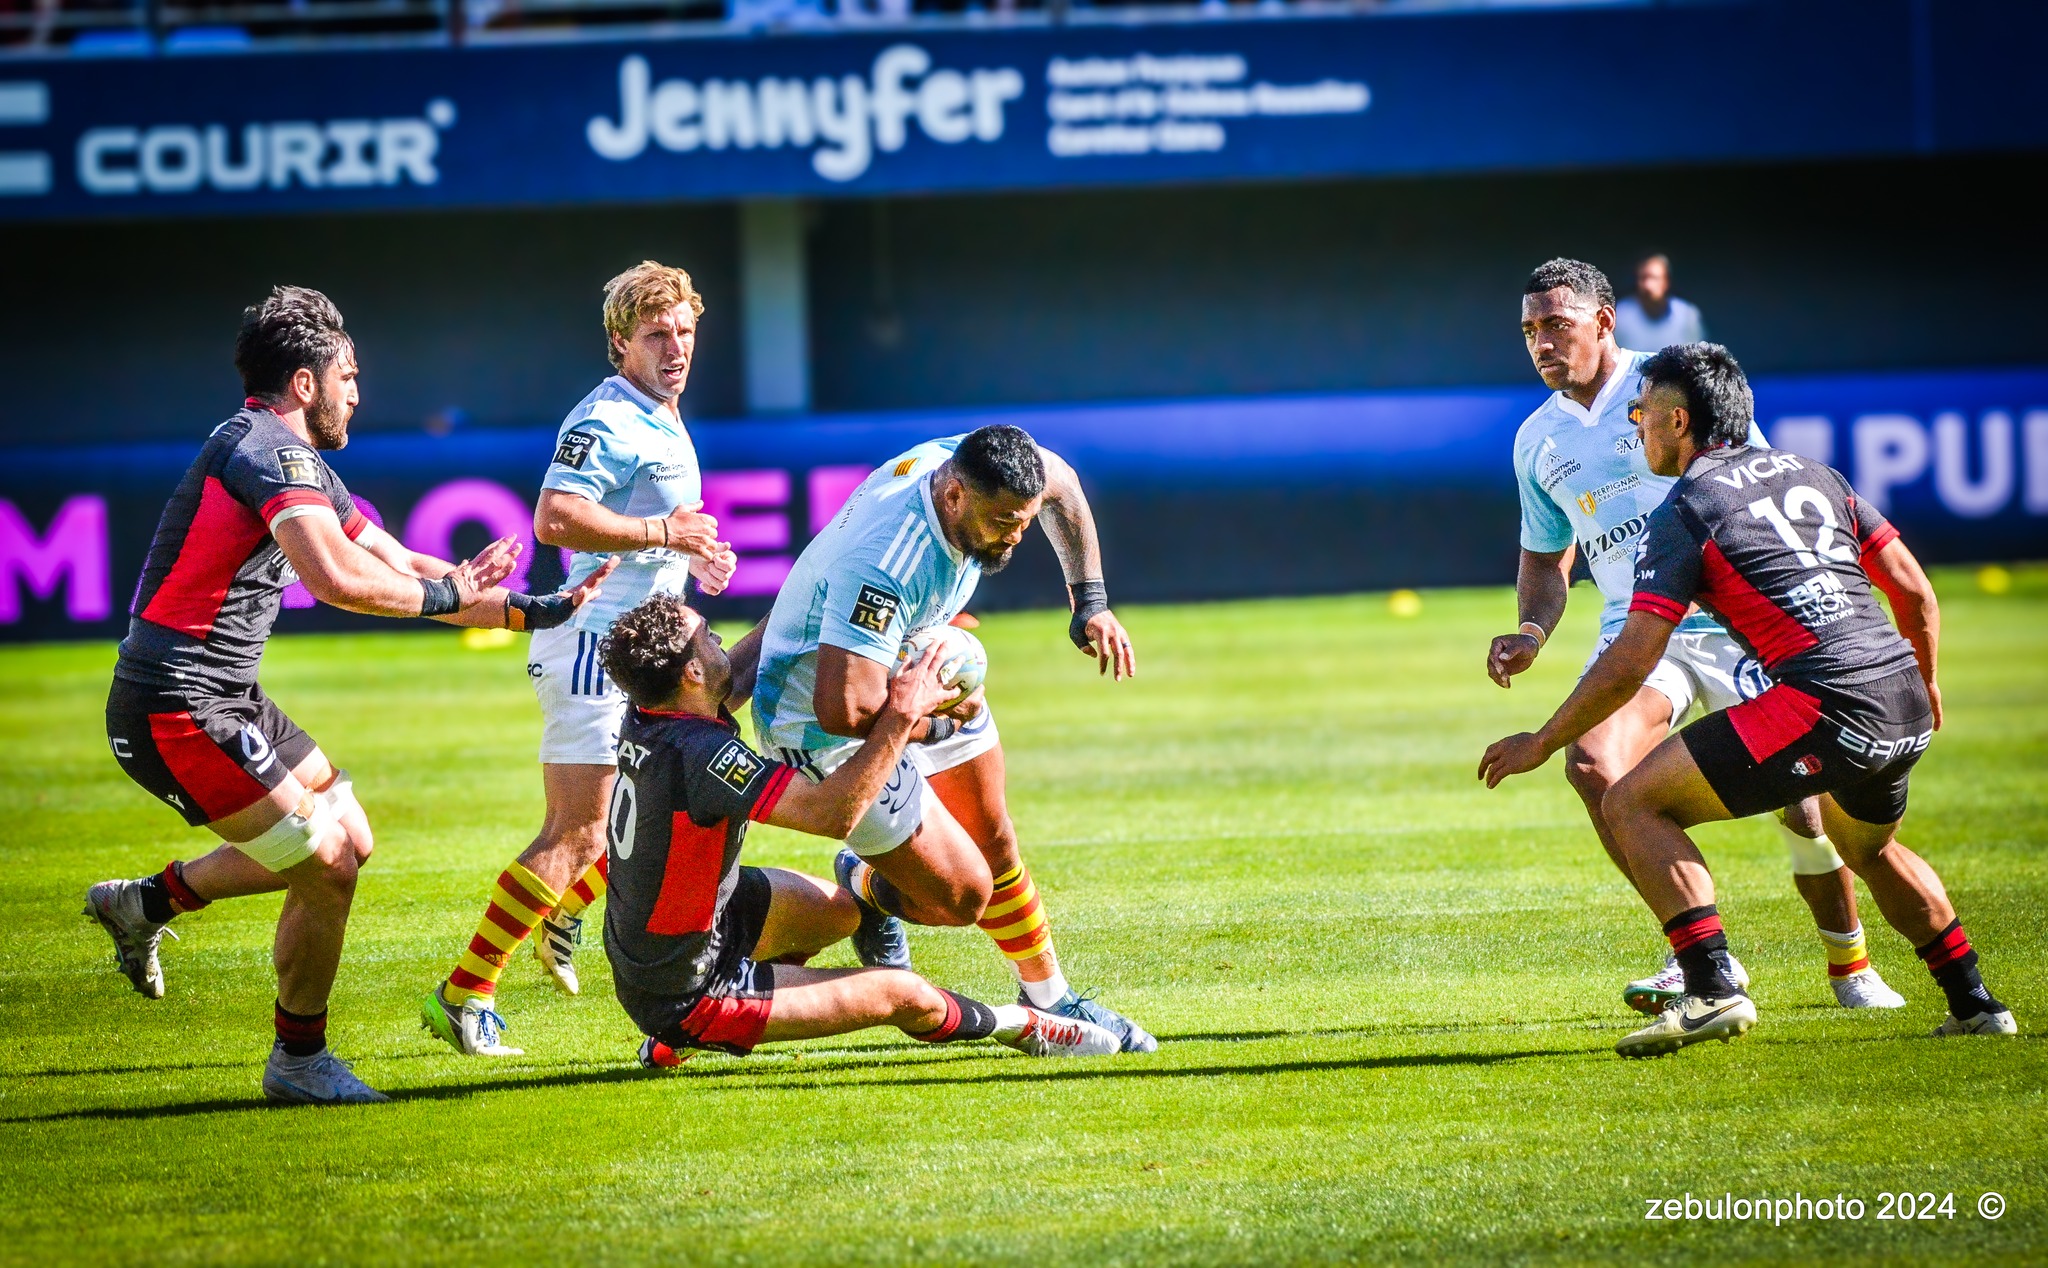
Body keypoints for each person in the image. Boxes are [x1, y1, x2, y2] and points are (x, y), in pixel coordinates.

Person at [84, 286, 607, 1105]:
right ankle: (298, 1060)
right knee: (325, 865)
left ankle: (145, 903)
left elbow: (397, 560)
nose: (357, 393)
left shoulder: (295, 460)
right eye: (348, 377)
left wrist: (523, 609)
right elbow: (336, 579)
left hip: (223, 694)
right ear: (305, 383)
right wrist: (452, 601)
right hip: (176, 704)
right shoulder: (269, 454)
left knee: (350, 837)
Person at [1481, 342, 2015, 1056]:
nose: (1635, 427)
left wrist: (1538, 742)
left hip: (1820, 701)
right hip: (1900, 696)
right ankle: (1977, 1002)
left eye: (1643, 417)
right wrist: (1929, 682)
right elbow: (1913, 590)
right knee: (1871, 846)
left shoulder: (1685, 510)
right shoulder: (1815, 472)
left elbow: (1631, 659)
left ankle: (1709, 987)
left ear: (1676, 421)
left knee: (1634, 802)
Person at [1492, 259, 1905, 1013]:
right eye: (1529, 331)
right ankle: (1699, 959)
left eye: (1556, 325)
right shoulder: (1535, 441)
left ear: (1604, 323)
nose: (1541, 343)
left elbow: (1764, 479)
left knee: (1805, 801)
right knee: (1592, 766)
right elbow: (1547, 557)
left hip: (1738, 615)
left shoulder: (1676, 382)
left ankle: (1850, 966)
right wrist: (1530, 628)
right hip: (1642, 631)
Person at [734, 424, 1156, 1052]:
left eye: (1022, 519)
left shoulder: (977, 468)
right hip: (820, 729)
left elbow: (1061, 485)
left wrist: (1089, 600)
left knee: (995, 838)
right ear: (955, 496)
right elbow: (843, 703)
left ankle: (1049, 999)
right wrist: (936, 721)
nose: (1015, 536)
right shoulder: (888, 560)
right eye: (1003, 522)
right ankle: (864, 887)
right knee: (961, 898)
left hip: (911, 661)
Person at [422, 261, 740, 1057]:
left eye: (685, 333)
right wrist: (669, 535)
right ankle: (464, 992)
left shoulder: (661, 412)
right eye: (656, 334)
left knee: (675, 806)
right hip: (598, 644)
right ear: (619, 343)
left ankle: (562, 914)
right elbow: (555, 518)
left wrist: (693, 556)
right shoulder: (604, 418)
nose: (675, 348)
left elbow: (657, 521)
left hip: (650, 644)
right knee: (580, 830)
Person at [597, 595, 1119, 1064]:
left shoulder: (650, 710)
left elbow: (757, 651)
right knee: (904, 995)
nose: (720, 642)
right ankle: (1029, 1025)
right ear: (691, 673)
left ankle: (842, 899)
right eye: (709, 635)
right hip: (689, 988)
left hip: (692, 923)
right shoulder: (704, 756)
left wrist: (887, 622)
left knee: (840, 912)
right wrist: (904, 712)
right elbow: (833, 813)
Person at [1612, 253, 1706, 352]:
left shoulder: (1688, 315)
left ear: (1666, 281)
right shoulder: (1620, 315)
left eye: (1654, 278)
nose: (1648, 285)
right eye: (1643, 278)